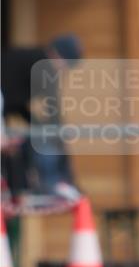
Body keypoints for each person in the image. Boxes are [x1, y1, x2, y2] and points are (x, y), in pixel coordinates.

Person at [0, 33, 84, 209]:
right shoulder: (44, 65)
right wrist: (57, 132)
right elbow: (52, 107)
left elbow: (14, 101)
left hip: (6, 105)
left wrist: (36, 123)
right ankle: (51, 183)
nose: (65, 70)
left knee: (33, 136)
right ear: (57, 55)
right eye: (67, 64)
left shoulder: (34, 60)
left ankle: (26, 186)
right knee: (45, 138)